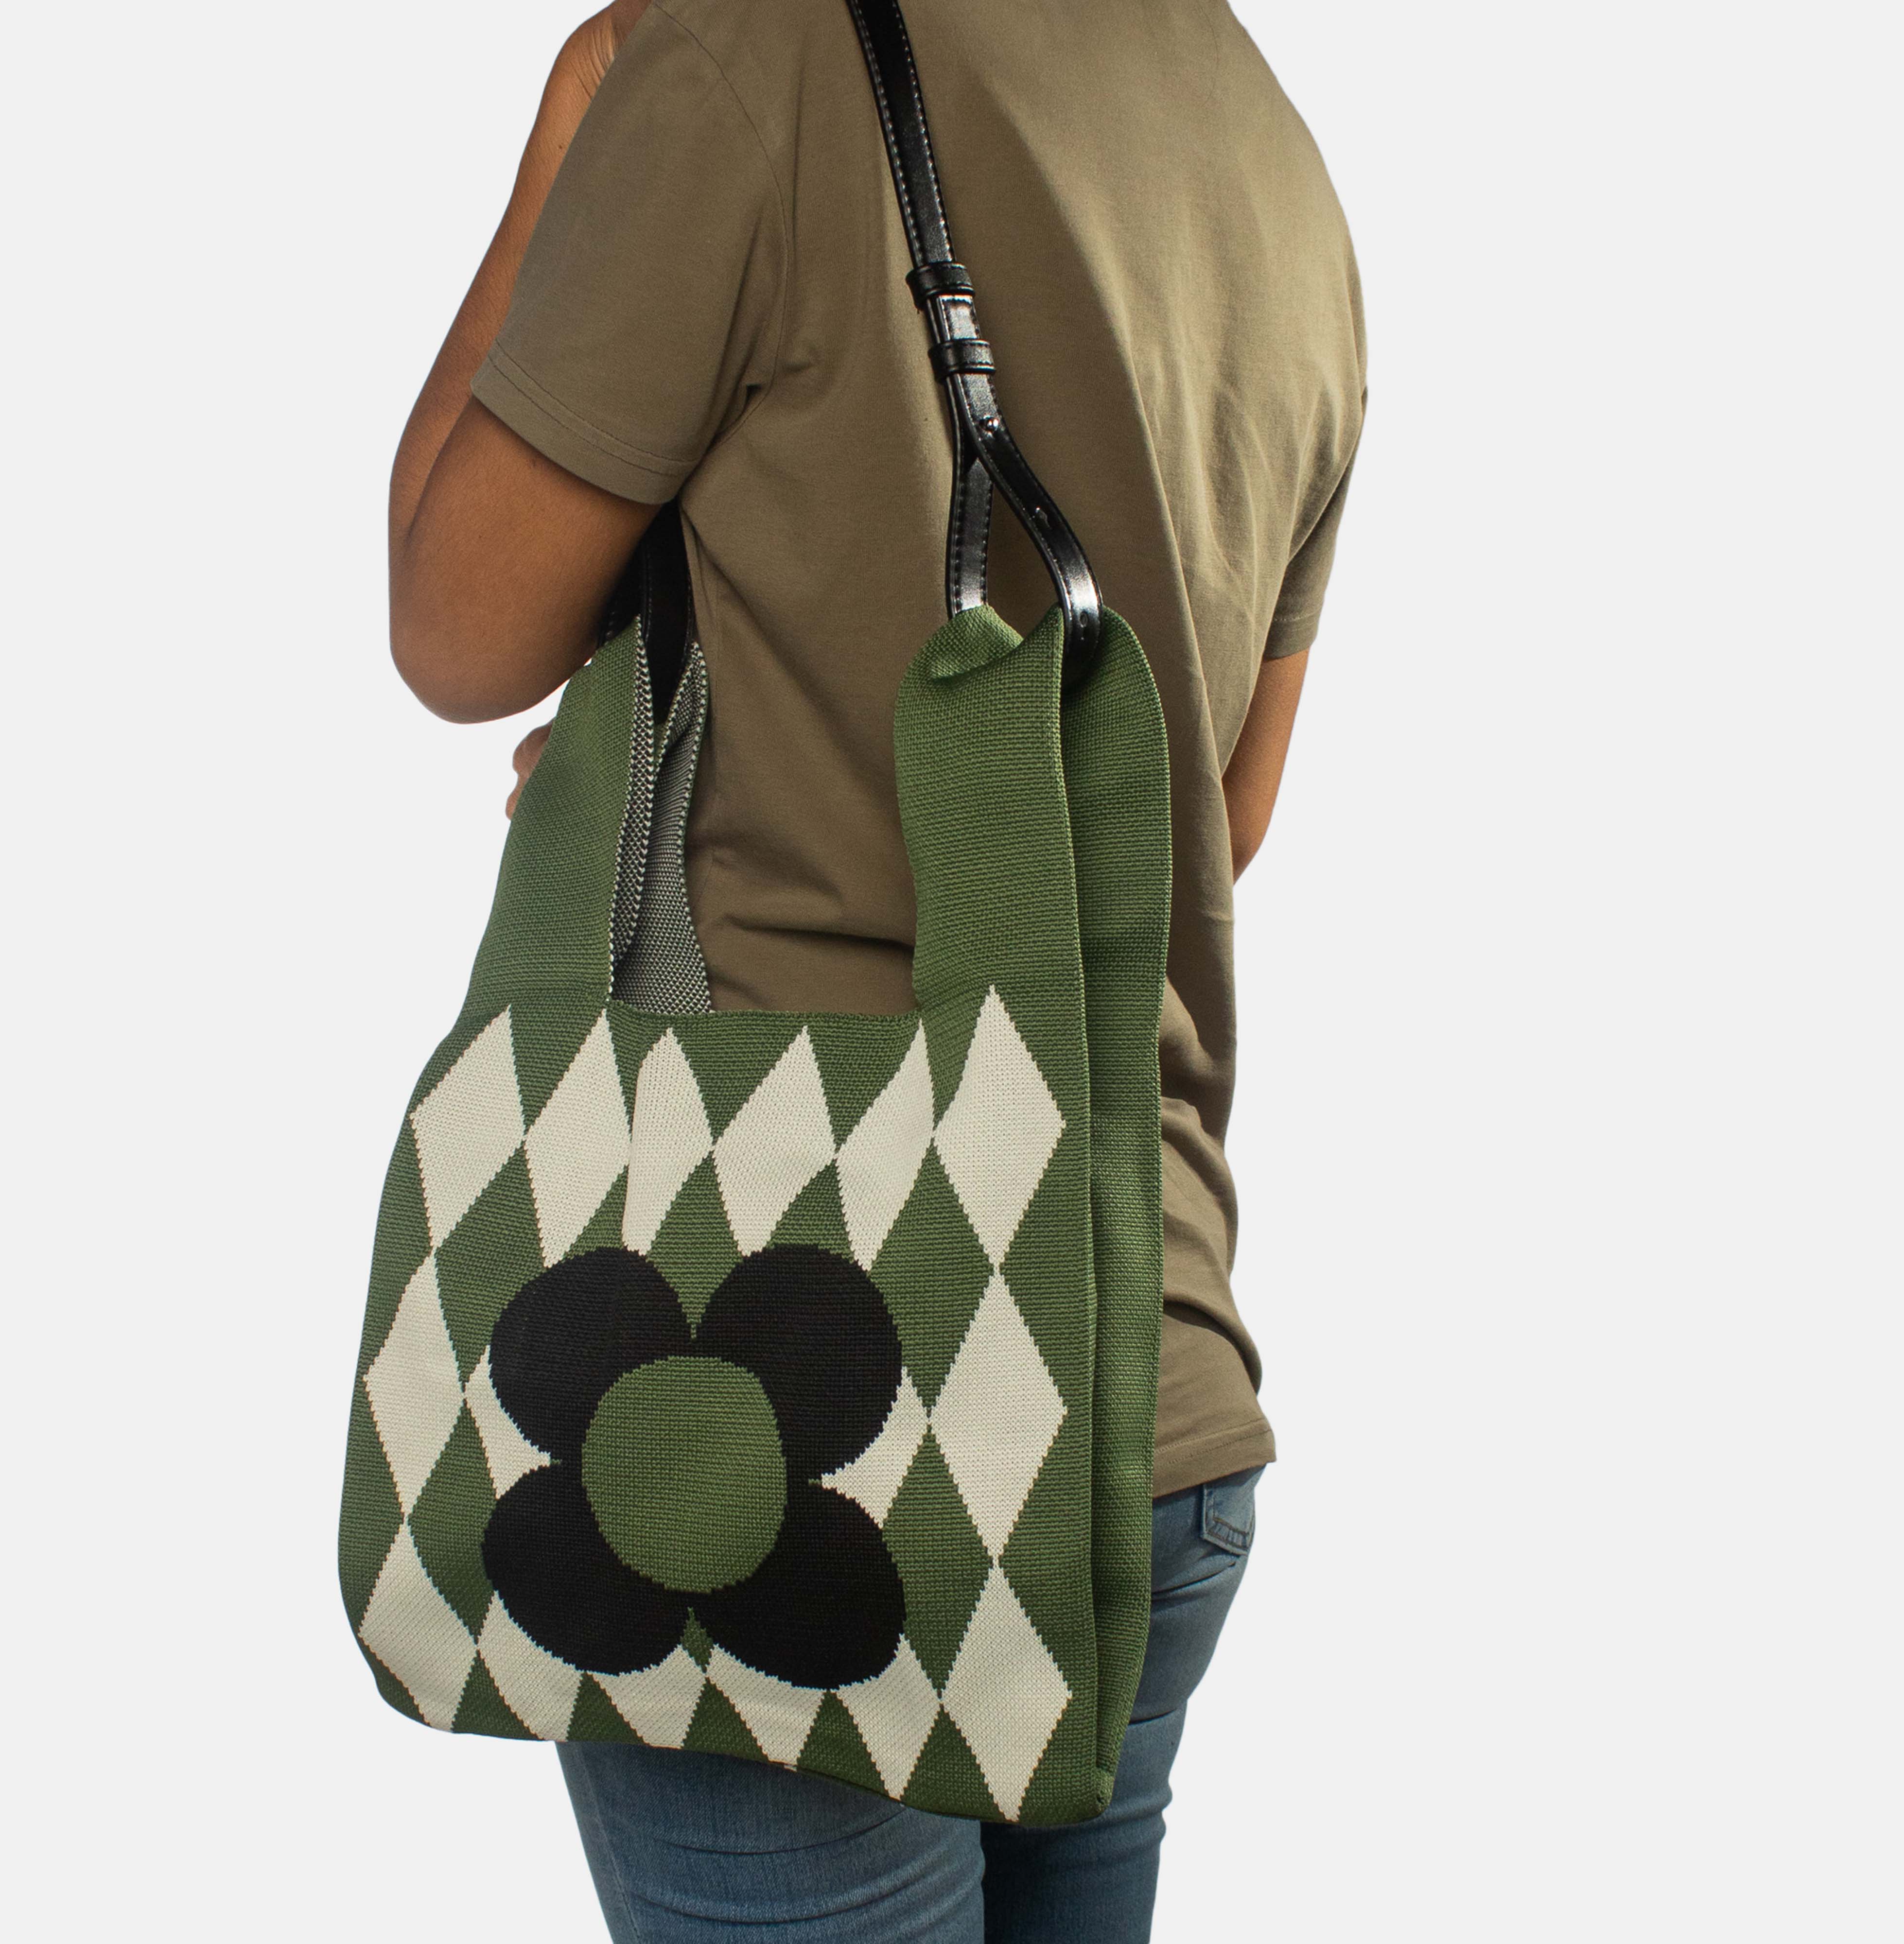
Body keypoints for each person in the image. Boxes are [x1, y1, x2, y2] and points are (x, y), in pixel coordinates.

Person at [387, 0, 1363, 1935]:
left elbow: (454, 624)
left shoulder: (745, 56)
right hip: (1153, 1406)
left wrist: (578, 113)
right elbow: (1208, 811)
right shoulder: (1265, 139)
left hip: (786, 1417)